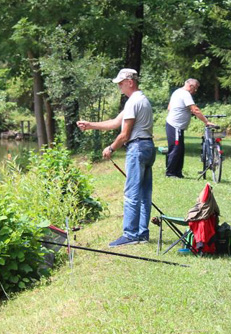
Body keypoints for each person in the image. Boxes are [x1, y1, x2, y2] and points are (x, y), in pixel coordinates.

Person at [77, 68, 155, 247]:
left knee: (131, 193)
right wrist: (90, 125)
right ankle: (142, 233)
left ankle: (130, 234)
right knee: (144, 193)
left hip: (137, 148)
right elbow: (115, 122)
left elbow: (125, 134)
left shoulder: (133, 102)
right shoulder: (140, 100)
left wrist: (111, 148)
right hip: (148, 147)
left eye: (121, 83)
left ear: (130, 82)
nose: (119, 86)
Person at [164, 78, 213, 178]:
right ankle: (170, 173)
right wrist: (206, 122)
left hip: (175, 126)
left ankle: (178, 172)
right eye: (195, 88)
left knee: (180, 149)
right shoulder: (185, 94)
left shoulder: (177, 92)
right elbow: (195, 110)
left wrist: (183, 111)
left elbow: (169, 107)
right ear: (191, 86)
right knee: (176, 149)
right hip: (175, 125)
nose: (196, 91)